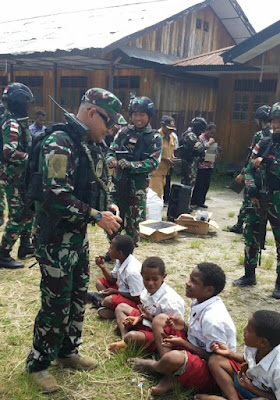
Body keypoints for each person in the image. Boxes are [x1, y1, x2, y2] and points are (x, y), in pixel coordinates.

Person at [26, 88, 125, 393]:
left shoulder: (87, 143)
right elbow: (55, 196)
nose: (109, 131)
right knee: (55, 302)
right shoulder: (59, 143)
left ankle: (68, 351)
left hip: (76, 238)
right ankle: (39, 364)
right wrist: (96, 216)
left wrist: (105, 206)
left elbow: (87, 186)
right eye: (107, 123)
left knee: (77, 296)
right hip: (55, 238)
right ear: (92, 112)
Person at [128, 263, 236, 396]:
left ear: (209, 290)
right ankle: (171, 374)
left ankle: (155, 367)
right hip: (193, 349)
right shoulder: (199, 300)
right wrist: (184, 327)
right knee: (160, 319)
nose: (187, 283)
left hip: (209, 370)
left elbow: (215, 360)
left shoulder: (213, 320)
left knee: (173, 358)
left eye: (194, 282)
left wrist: (184, 344)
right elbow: (200, 336)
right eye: (190, 278)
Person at [233, 102, 280, 299]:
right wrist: (251, 189)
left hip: (277, 199)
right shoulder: (264, 142)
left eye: (279, 121)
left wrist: (269, 163)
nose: (276, 124)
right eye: (274, 120)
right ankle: (249, 275)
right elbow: (250, 168)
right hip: (257, 198)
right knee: (251, 236)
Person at [106, 96, 162, 245]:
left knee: (133, 224)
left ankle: (128, 256)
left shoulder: (155, 137)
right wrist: (110, 160)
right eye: (135, 114)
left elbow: (153, 162)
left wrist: (131, 165)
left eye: (142, 114)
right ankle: (113, 250)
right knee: (114, 218)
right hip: (118, 184)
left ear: (149, 116)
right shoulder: (123, 132)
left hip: (137, 189)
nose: (138, 118)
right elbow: (111, 150)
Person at [194, 309, 280, 400]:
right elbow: (247, 359)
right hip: (246, 382)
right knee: (216, 360)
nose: (244, 329)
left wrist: (252, 388)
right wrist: (230, 353)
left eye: (249, 330)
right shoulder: (253, 346)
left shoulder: (278, 368)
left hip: (260, 394)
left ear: (262, 342)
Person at [108, 256, 184, 352]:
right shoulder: (145, 291)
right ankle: (124, 340)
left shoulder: (170, 301)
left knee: (132, 336)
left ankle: (130, 339)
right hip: (146, 322)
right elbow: (146, 312)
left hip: (159, 334)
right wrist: (138, 318)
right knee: (121, 307)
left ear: (163, 277)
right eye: (146, 279)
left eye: (155, 279)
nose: (150, 283)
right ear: (142, 276)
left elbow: (173, 331)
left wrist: (150, 319)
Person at [0, 82, 35, 269]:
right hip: (12, 176)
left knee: (28, 210)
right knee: (18, 215)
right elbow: (9, 152)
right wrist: (32, 159)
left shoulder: (8, 119)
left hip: (17, 176)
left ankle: (26, 245)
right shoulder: (12, 123)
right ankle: (3, 253)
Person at [228, 105, 272, 234]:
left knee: (248, 198)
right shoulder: (274, 133)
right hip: (269, 174)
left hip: (255, 172)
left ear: (259, 119)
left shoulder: (259, 135)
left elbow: (251, 155)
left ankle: (242, 224)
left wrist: (243, 173)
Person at [87, 234, 143, 319]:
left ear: (119, 253)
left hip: (136, 302)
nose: (108, 250)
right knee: (100, 282)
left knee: (108, 300)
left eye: (111, 248)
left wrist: (116, 292)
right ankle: (110, 307)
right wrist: (103, 267)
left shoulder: (132, 272)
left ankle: (100, 302)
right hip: (123, 292)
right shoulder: (120, 260)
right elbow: (112, 280)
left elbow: (137, 297)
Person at [179, 117, 207, 210]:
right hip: (188, 164)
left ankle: (185, 205)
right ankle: (183, 206)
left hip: (192, 164)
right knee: (187, 185)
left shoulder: (194, 135)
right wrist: (206, 145)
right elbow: (198, 147)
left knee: (189, 185)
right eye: (201, 130)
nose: (202, 132)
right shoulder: (190, 135)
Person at [149, 115, 176, 198]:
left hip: (165, 172)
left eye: (172, 129)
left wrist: (173, 159)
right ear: (162, 125)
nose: (170, 131)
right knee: (155, 197)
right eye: (168, 128)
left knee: (159, 196)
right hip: (155, 172)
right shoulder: (155, 137)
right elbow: (150, 154)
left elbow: (171, 151)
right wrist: (164, 159)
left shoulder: (172, 137)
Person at [191, 123, 217, 208]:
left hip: (209, 164)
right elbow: (199, 149)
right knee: (199, 184)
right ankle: (194, 201)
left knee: (206, 184)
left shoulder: (211, 139)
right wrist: (209, 143)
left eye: (213, 133)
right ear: (206, 130)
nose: (211, 135)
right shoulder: (201, 138)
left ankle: (201, 201)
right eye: (210, 133)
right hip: (201, 165)